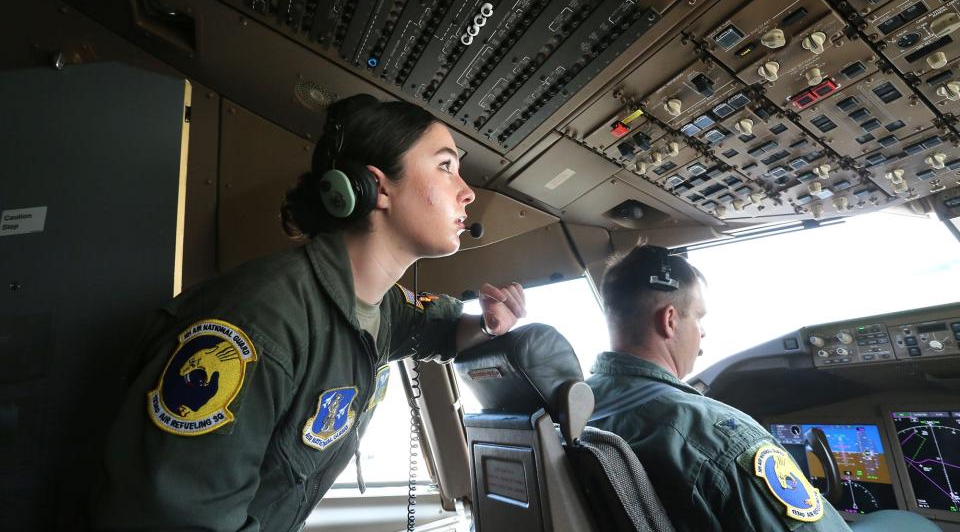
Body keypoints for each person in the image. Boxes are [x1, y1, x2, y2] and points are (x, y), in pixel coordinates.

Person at [92, 94, 526, 531]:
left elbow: (439, 330)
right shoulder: (261, 321)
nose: (468, 192)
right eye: (445, 166)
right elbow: (179, 520)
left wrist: (490, 323)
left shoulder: (381, 307)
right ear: (378, 187)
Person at [586, 244, 851, 531]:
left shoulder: (571, 412)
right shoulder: (720, 436)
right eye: (698, 317)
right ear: (670, 320)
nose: (702, 331)